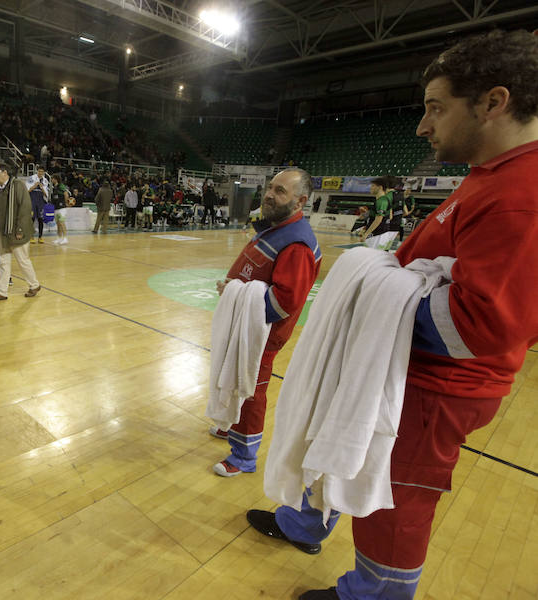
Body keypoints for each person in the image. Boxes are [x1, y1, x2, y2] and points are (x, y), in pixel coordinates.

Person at [247, 29, 538, 600]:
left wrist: (372, 290)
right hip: (404, 367)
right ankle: (305, 523)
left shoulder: (523, 193)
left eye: (436, 108)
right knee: (339, 444)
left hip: (439, 385)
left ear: (494, 102)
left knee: (395, 494)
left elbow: (482, 323)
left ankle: (373, 593)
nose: (422, 126)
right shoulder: (490, 177)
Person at [210, 167, 321, 477]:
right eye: (271, 187)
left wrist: (236, 292)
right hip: (246, 327)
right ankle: (230, 423)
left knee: (251, 392)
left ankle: (244, 457)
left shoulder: (297, 244)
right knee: (233, 379)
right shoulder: (277, 227)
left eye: (280, 191)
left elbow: (284, 302)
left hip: (261, 335)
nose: (271, 194)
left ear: (300, 201)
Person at [0, 162, 40, 301]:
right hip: (1, 231)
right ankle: (1, 291)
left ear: (5, 173)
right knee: (3, 261)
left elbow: (25, 208)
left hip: (16, 231)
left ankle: (34, 285)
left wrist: (20, 229)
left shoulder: (17, 185)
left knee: (22, 260)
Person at [358, 176, 396, 249]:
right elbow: (390, 216)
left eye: (373, 186)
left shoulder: (382, 201)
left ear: (380, 187)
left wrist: (366, 234)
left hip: (377, 235)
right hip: (381, 233)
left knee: (372, 256)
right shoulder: (385, 199)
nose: (370, 188)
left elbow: (378, 219)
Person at [26, 165, 49, 244]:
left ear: (44, 172)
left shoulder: (45, 180)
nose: (40, 173)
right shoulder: (31, 178)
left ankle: (40, 237)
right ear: (37, 171)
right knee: (31, 219)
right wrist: (35, 186)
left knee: (40, 219)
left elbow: (46, 195)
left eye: (42, 172)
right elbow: (27, 190)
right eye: (39, 171)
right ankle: (31, 236)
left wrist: (42, 188)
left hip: (40, 201)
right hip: (32, 200)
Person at [49, 173, 70, 245]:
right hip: (56, 207)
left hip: (62, 208)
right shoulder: (54, 187)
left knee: (62, 223)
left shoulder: (61, 185)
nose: (51, 180)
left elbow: (66, 193)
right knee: (58, 224)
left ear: (55, 179)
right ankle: (59, 238)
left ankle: (65, 238)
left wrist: (66, 202)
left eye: (52, 178)